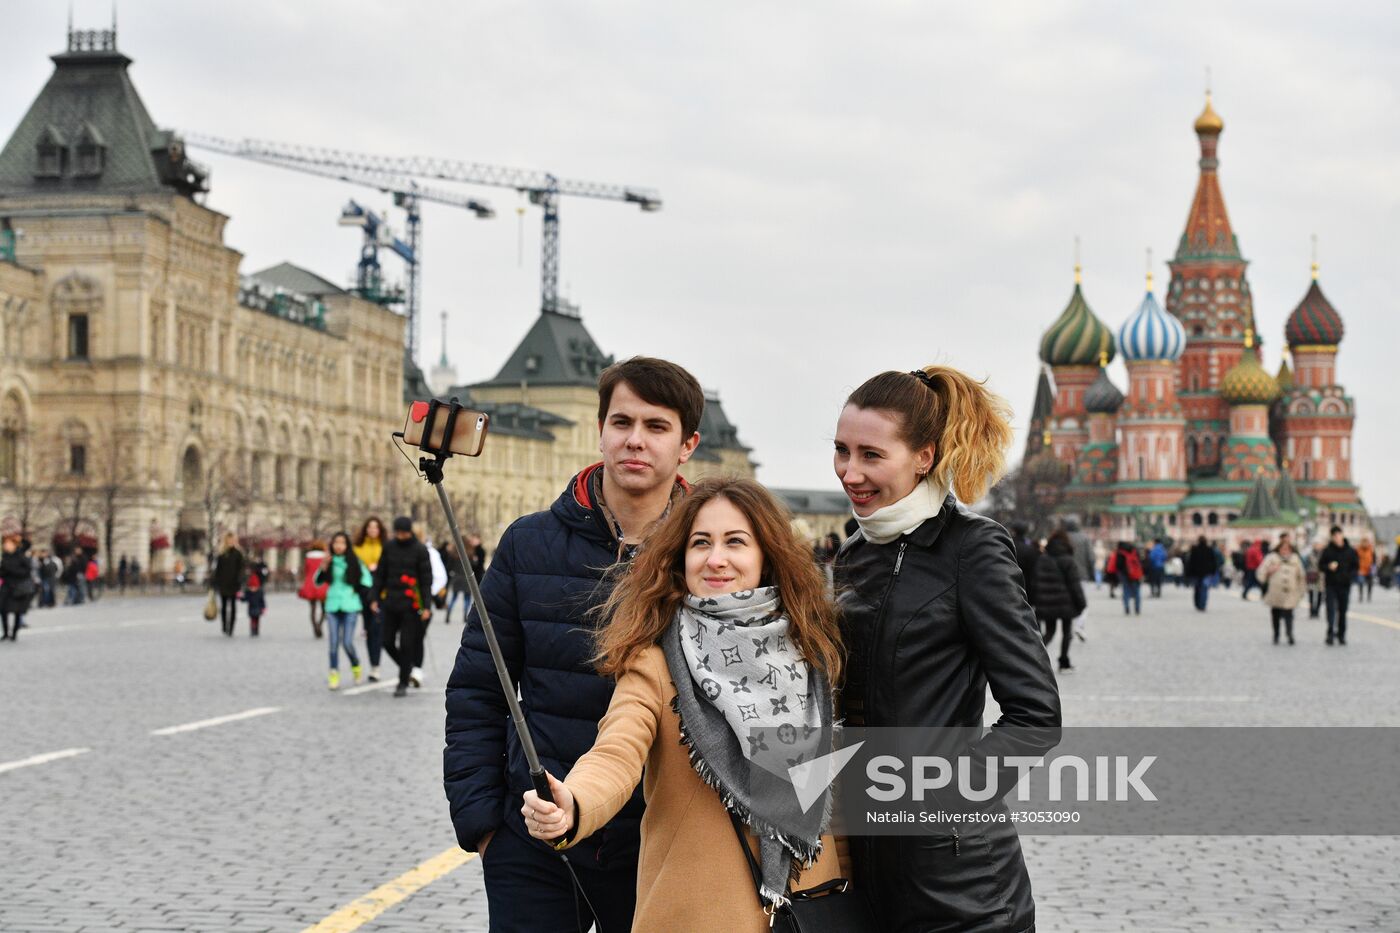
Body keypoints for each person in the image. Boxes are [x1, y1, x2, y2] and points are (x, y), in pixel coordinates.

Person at [445, 357, 704, 933]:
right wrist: (485, 823)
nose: (635, 440)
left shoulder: (711, 555)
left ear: (687, 444)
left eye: (656, 427)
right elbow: (477, 688)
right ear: (600, 430)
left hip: (656, 839)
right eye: (622, 422)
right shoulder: (528, 543)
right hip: (534, 837)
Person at [521, 478, 848, 930]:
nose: (716, 559)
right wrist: (574, 803)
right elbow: (615, 754)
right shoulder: (654, 664)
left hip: (806, 911)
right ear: (681, 558)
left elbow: (831, 790)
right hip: (696, 915)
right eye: (700, 543)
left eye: (735, 542)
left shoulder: (809, 654)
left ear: (765, 557)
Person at [832, 366, 1061, 931]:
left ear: (924, 457)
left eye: (870, 455)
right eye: (841, 451)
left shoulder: (973, 548)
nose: (850, 472)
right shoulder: (853, 554)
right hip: (861, 860)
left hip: (960, 883)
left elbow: (1036, 716)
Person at [369, 517, 432, 697]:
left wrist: (426, 606)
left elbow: (426, 580)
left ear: (409, 532)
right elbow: (380, 574)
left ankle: (402, 682)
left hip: (411, 605)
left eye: (403, 532)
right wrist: (374, 596)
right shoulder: (389, 547)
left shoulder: (420, 550)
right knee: (386, 641)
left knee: (406, 644)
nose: (400, 536)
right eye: (397, 532)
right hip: (390, 602)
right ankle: (408, 667)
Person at [317, 531, 370, 689]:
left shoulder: (355, 561)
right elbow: (317, 582)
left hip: (350, 606)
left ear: (347, 545)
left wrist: (357, 591)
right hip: (333, 605)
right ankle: (334, 673)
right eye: (336, 543)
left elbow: (367, 580)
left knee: (347, 642)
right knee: (333, 643)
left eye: (342, 543)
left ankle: (356, 666)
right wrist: (323, 568)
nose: (339, 546)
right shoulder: (329, 561)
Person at [1034, 529, 1086, 672]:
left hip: (1047, 602)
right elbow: (1074, 584)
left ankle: (1033, 659)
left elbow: (1036, 581)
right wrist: (1081, 603)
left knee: (1049, 632)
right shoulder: (1068, 559)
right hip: (1066, 602)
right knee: (1066, 632)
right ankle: (1064, 662)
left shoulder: (1043, 558)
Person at [354, 517, 386, 682]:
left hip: (381, 593)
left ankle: (376, 666)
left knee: (377, 628)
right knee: (368, 628)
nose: (373, 530)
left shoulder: (385, 547)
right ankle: (373, 664)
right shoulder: (358, 548)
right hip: (364, 591)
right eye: (370, 527)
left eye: (376, 527)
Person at [1258, 535, 1305, 645]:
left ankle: (1289, 634)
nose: (1285, 551)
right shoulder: (1271, 558)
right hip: (1275, 592)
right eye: (1283, 549)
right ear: (1279, 549)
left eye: (1287, 549)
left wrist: (1301, 589)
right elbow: (1261, 573)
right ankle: (1276, 634)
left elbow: (1301, 575)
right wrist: (1269, 571)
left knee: (1289, 613)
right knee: (1276, 614)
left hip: (1290, 591)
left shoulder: (1295, 559)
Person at [1320, 525, 1359, 646]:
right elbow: (1321, 565)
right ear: (1332, 537)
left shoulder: (1350, 551)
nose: (1337, 538)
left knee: (1343, 610)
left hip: (1345, 585)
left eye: (1338, 535)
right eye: (1334, 536)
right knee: (1330, 610)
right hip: (1331, 584)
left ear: (1342, 535)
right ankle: (1330, 633)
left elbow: (1355, 566)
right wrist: (1328, 567)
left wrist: (1350, 577)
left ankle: (1341, 634)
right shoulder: (1327, 550)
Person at [0, 535, 35, 640]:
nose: (6, 546)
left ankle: (14, 633)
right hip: (7, 586)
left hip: (18, 587)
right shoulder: (5, 556)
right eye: (5, 544)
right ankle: (6, 632)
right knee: (2, 610)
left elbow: (26, 571)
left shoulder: (20, 555)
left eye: (8, 543)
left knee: (17, 611)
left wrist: (11, 570)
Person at [211, 534, 246, 636]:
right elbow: (218, 570)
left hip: (234, 584)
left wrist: (240, 581)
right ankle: (224, 625)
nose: (231, 542)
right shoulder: (222, 554)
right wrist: (215, 583)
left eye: (232, 540)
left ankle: (231, 628)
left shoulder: (238, 554)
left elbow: (241, 569)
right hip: (223, 583)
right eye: (229, 540)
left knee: (233, 606)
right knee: (224, 606)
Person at [298, 539, 330, 638]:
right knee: (324, 609)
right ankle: (320, 625)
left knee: (312, 609)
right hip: (322, 584)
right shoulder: (325, 557)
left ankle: (315, 626)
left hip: (310, 584)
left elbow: (305, 571)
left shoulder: (308, 557)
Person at [1108, 540, 1144, 615]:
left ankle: (1127, 607)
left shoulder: (1120, 553)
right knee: (1137, 592)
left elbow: (1118, 565)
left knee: (1126, 591)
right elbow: (1139, 562)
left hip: (1124, 575)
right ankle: (1137, 609)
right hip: (1135, 574)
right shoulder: (1134, 550)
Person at [1186, 536, 1217, 611]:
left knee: (1197, 589)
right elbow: (1213, 562)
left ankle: (1197, 604)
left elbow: (1190, 562)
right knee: (1204, 589)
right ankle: (1202, 605)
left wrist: (1188, 573)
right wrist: (1213, 572)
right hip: (1206, 573)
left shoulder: (1195, 549)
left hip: (1196, 573)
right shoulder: (1209, 550)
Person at [242, 554, 270, 637]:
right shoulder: (249, 592)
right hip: (251, 609)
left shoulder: (260, 592)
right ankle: (252, 629)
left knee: (257, 620)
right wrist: (240, 597)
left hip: (257, 609)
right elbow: (245, 598)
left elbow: (262, 601)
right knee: (252, 620)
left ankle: (256, 630)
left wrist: (263, 608)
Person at [1356, 536, 1376, 603]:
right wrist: (1357, 568)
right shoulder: (1358, 550)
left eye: (1366, 542)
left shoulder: (1371, 550)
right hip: (1361, 569)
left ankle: (1369, 596)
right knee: (1360, 583)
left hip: (1369, 569)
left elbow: (1374, 560)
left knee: (1370, 583)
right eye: (1363, 542)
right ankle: (1361, 596)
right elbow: (1355, 560)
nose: (1365, 544)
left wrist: (1373, 568)